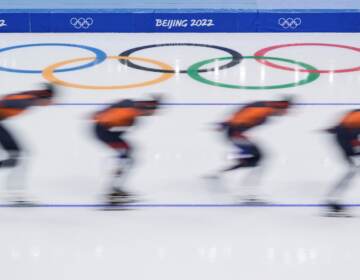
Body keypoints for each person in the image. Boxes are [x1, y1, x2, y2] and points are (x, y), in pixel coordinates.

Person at [212, 97, 292, 203]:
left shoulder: (265, 106)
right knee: (257, 158)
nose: (286, 114)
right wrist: (231, 127)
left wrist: (225, 123)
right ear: (280, 107)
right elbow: (240, 118)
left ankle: (221, 176)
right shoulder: (262, 111)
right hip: (235, 134)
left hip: (236, 134)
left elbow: (242, 111)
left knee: (254, 160)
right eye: (286, 111)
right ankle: (245, 191)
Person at [92, 95, 161, 206]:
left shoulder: (132, 108)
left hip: (105, 130)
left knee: (128, 156)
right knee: (127, 158)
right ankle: (113, 190)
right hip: (104, 132)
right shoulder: (130, 113)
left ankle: (115, 187)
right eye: (152, 111)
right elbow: (106, 119)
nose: (153, 115)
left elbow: (109, 111)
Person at [0, 83, 56, 204]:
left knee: (16, 156)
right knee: (17, 155)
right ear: (46, 98)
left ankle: (16, 193)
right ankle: (16, 194)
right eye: (50, 101)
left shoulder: (30, 99)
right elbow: (6, 100)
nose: (50, 104)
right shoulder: (27, 99)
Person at [325, 109, 360, 216]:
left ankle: (333, 200)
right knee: (352, 169)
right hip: (344, 136)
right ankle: (333, 200)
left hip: (343, 135)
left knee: (352, 169)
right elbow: (349, 130)